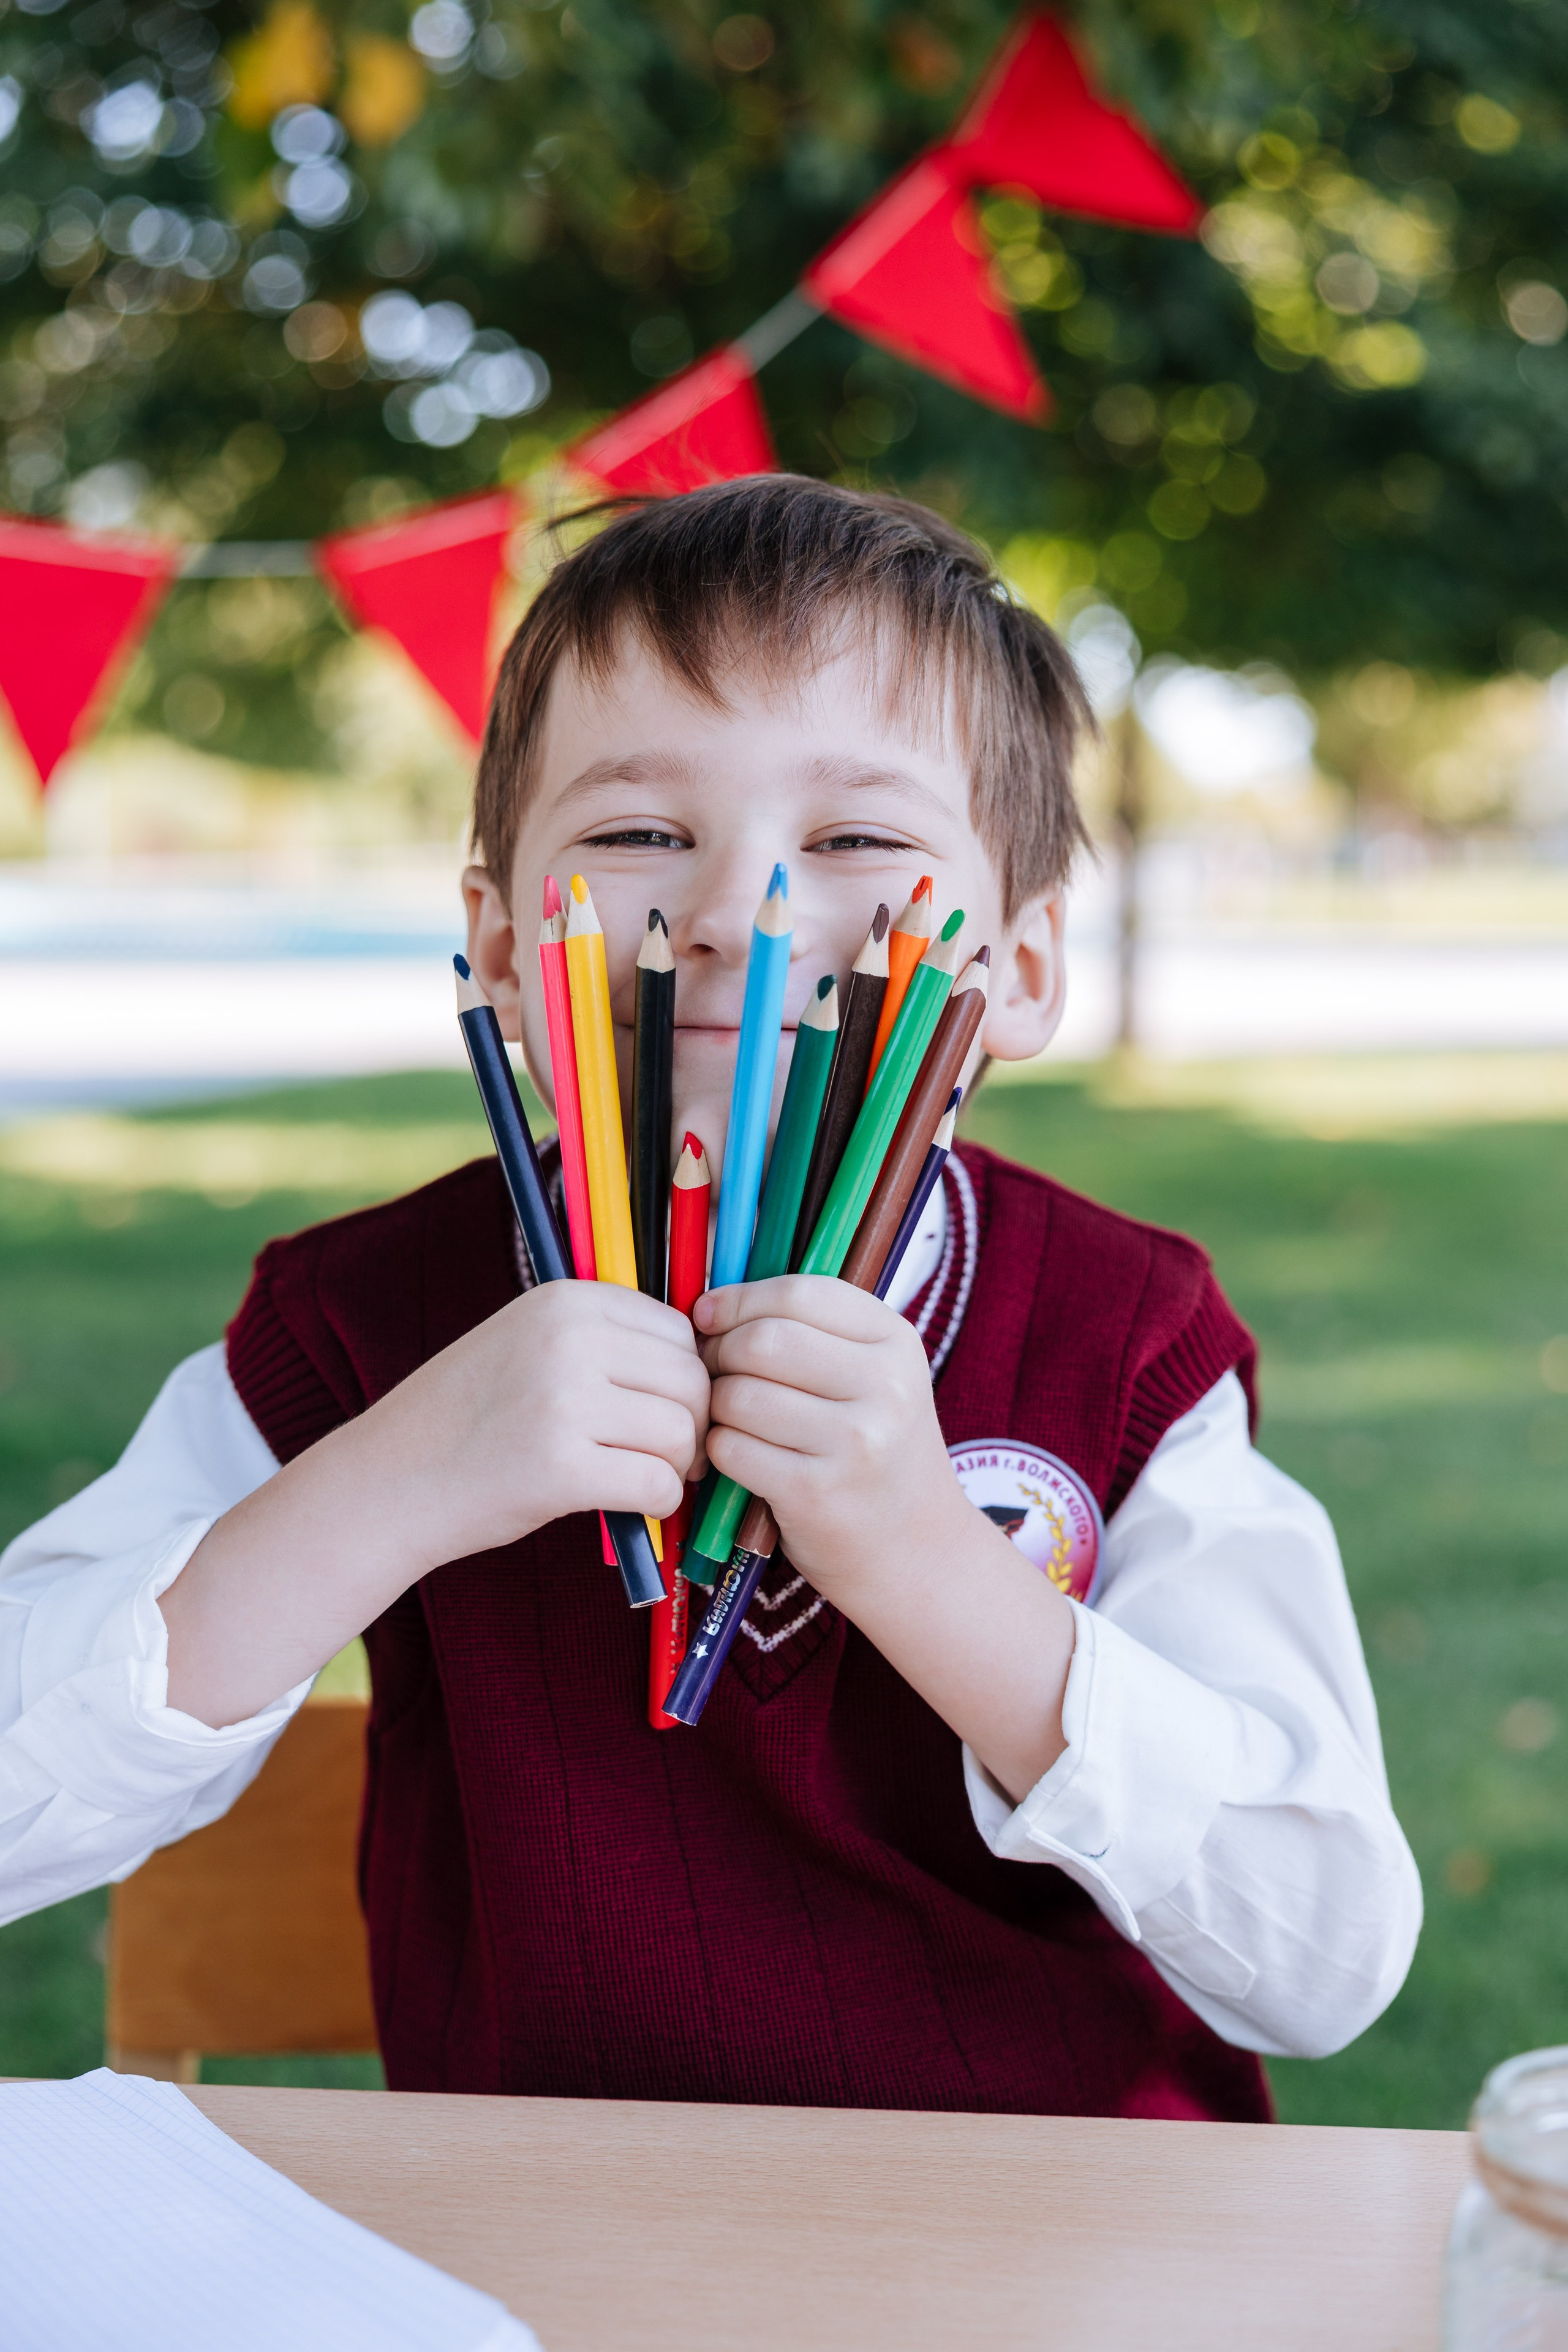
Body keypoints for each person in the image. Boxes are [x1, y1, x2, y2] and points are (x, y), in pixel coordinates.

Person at [0, 478, 1420, 2114]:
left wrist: (920, 1555)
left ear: (1019, 969)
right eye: (637, 834)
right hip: (544, 2268)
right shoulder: (355, 1327)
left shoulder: (1124, 1338)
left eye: (857, 840)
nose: (740, 917)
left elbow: (1324, 1953)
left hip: (1062, 2262)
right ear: (503, 941)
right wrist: (397, 1474)